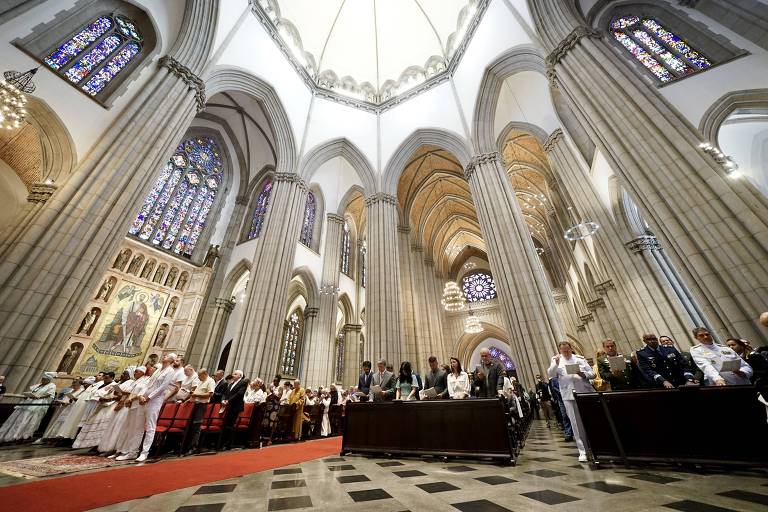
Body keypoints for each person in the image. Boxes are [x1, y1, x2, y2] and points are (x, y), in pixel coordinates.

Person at [117, 353, 180, 462]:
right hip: (143, 399)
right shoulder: (158, 370)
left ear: (171, 360)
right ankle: (132, 452)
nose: (164, 356)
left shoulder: (170, 371)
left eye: (166, 356)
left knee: (150, 427)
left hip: (154, 401)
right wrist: (141, 395)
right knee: (138, 426)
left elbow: (162, 387)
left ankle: (144, 453)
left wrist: (149, 398)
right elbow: (148, 384)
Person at [547, 341, 594, 462]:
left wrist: (583, 374)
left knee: (590, 420)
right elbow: (551, 374)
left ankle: (595, 448)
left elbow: (592, 374)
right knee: (576, 424)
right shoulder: (557, 360)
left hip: (584, 393)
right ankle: (583, 451)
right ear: (560, 350)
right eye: (563, 351)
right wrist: (555, 364)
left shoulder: (579, 359)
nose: (566, 352)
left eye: (567, 350)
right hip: (568, 395)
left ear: (571, 348)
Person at [0, 371, 57, 443]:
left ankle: (20, 436)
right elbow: (32, 392)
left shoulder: (52, 385)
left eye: (44, 379)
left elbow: (50, 395)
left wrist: (38, 397)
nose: (42, 380)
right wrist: (28, 396)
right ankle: (9, 434)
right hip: (29, 402)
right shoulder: (39, 385)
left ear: (48, 380)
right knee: (19, 418)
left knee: (28, 419)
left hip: (37, 404)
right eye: (42, 379)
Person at [98, 366, 143, 454]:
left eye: (125, 374)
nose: (122, 375)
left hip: (126, 405)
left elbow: (131, 394)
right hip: (122, 403)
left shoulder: (132, 382)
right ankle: (107, 448)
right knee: (113, 425)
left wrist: (121, 396)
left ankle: (114, 448)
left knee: (118, 427)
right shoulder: (132, 382)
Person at [110, 367, 151, 459]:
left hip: (138, 406)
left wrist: (131, 399)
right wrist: (127, 399)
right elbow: (132, 392)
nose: (135, 373)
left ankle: (129, 451)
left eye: (137, 371)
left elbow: (142, 393)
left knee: (133, 430)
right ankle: (119, 450)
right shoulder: (136, 381)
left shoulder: (147, 380)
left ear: (142, 372)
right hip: (131, 405)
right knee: (125, 428)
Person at [72, 372, 119, 449]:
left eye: (106, 378)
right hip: (92, 404)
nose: (104, 379)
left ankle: (92, 444)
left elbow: (110, 396)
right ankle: (79, 443)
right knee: (85, 423)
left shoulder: (113, 386)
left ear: (112, 378)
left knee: (93, 424)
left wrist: (103, 399)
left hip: (100, 406)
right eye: (104, 378)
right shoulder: (101, 384)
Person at [222, 370, 248, 448]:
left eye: (235, 374)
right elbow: (227, 393)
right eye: (233, 373)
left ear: (240, 376)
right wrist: (224, 400)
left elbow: (239, 394)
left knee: (230, 424)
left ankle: (228, 443)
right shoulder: (232, 383)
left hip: (235, 406)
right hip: (229, 406)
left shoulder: (243, 382)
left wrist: (228, 401)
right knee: (226, 424)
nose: (233, 375)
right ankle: (223, 442)